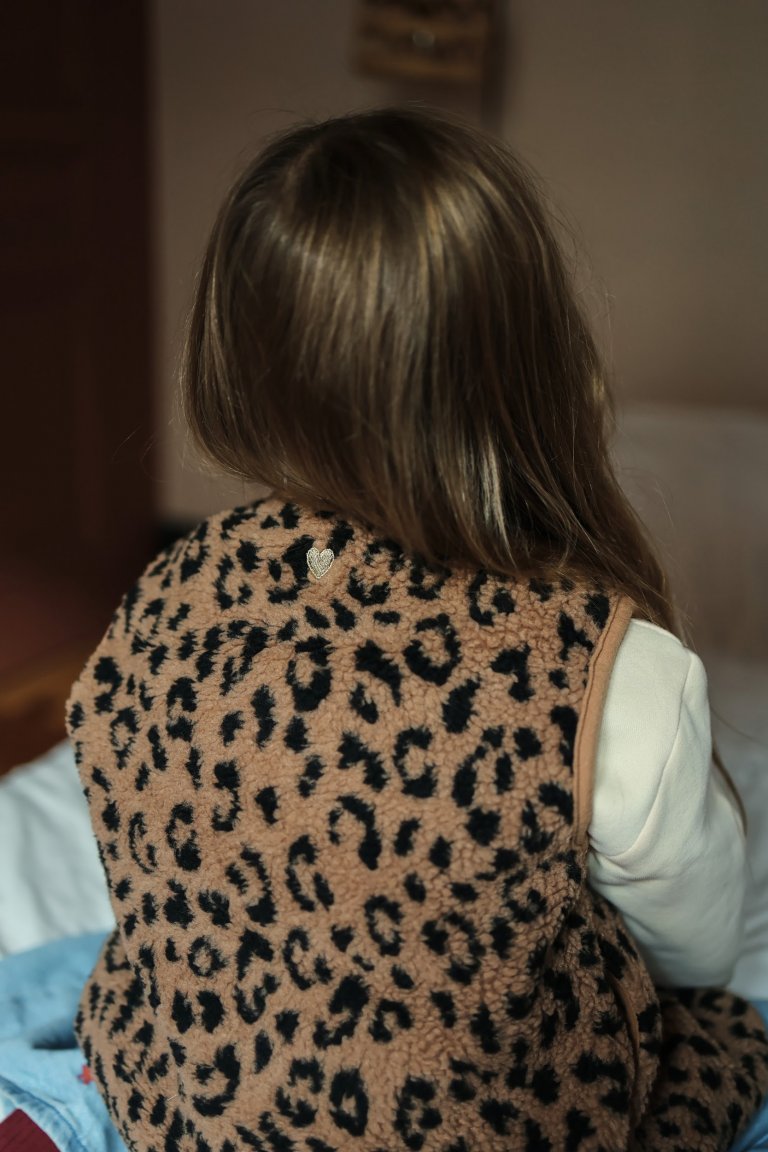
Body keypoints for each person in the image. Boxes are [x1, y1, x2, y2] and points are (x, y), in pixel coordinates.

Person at [66, 106, 768, 1152]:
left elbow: (152, 855)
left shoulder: (162, 599)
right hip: (492, 1127)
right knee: (726, 1031)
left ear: (232, 358)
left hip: (193, 1111)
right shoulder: (607, 669)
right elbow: (696, 953)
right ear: (535, 362)